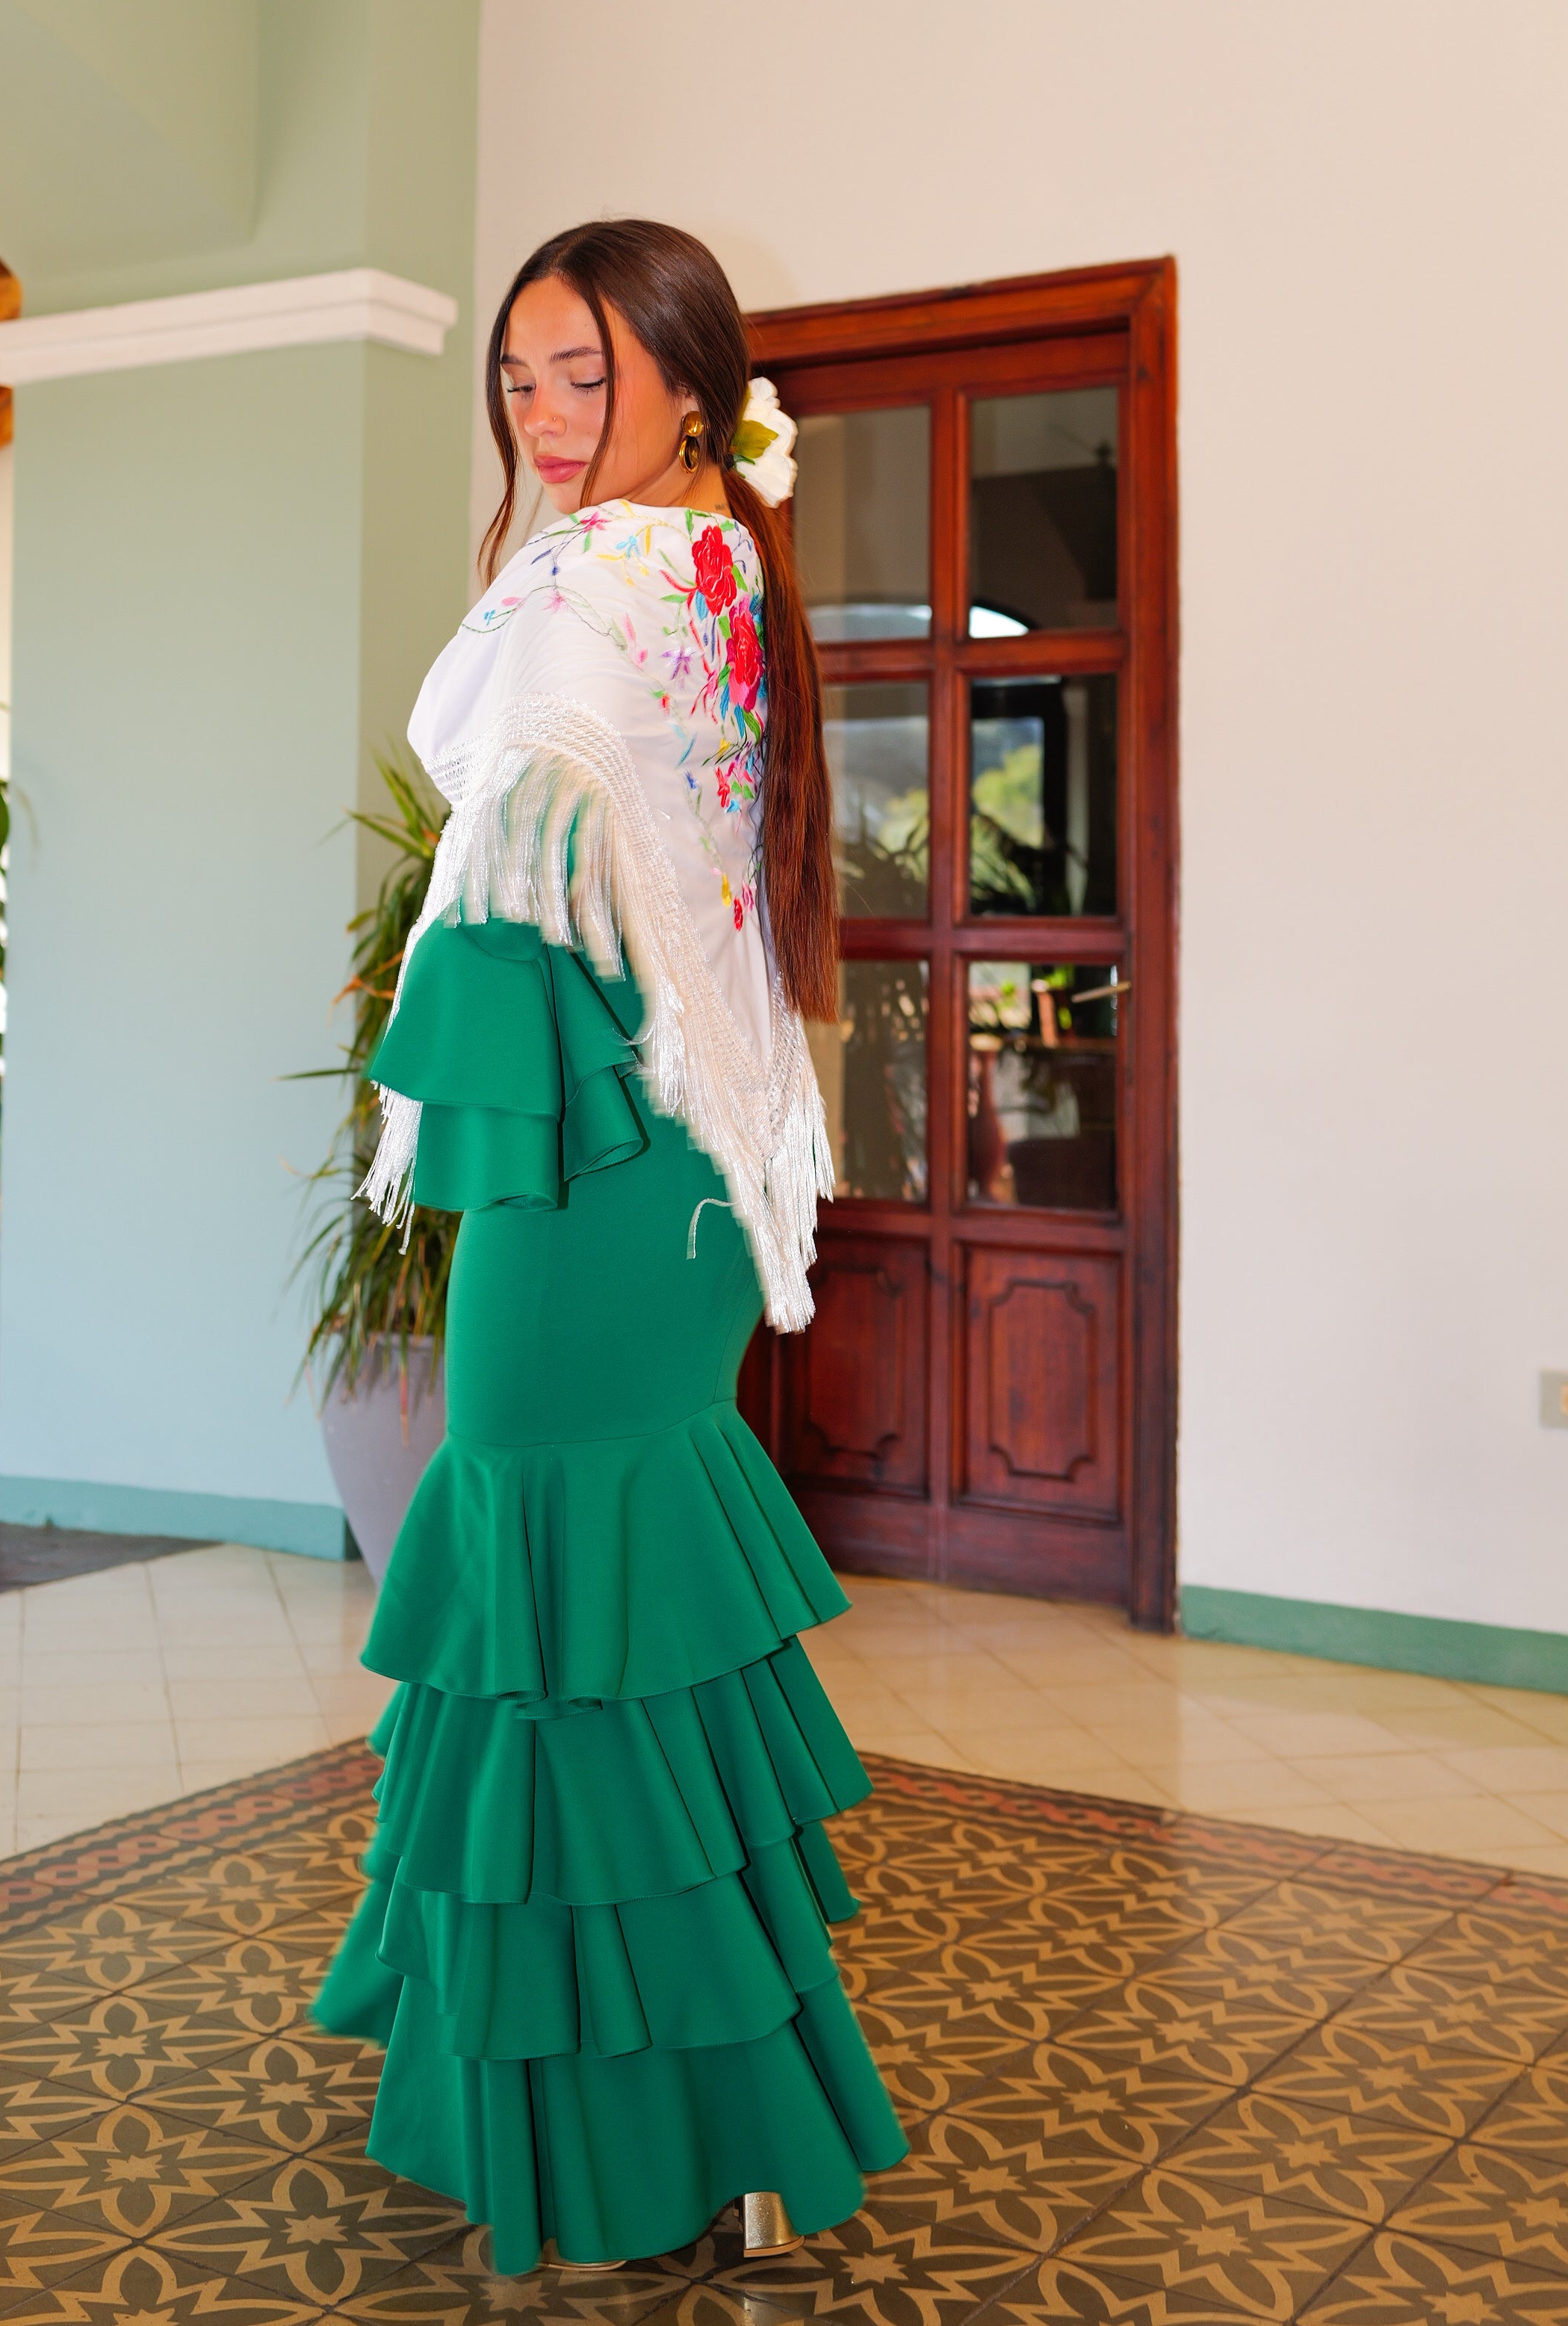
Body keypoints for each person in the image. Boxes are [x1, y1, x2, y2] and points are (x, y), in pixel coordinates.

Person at [309, 218, 907, 2274]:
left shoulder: (604, 574)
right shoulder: (728, 562)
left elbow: (546, 767)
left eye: (585, 374)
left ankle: (622, 2140)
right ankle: (717, 2130)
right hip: (690, 1163)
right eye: (521, 379)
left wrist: (536, 794)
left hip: (601, 1162)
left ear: (683, 374)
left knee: (548, 1608)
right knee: (618, 1633)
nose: (546, 419)